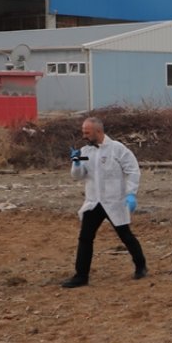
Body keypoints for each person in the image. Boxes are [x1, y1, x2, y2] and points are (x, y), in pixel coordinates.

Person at [61, 117, 147, 288]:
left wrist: (131, 194)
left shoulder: (117, 149)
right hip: (94, 202)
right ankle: (81, 275)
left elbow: (133, 170)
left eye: (87, 132)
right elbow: (78, 176)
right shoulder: (85, 151)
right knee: (85, 238)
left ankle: (141, 266)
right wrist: (76, 163)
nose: (84, 135)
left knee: (126, 236)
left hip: (115, 202)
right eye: (83, 132)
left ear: (98, 131)